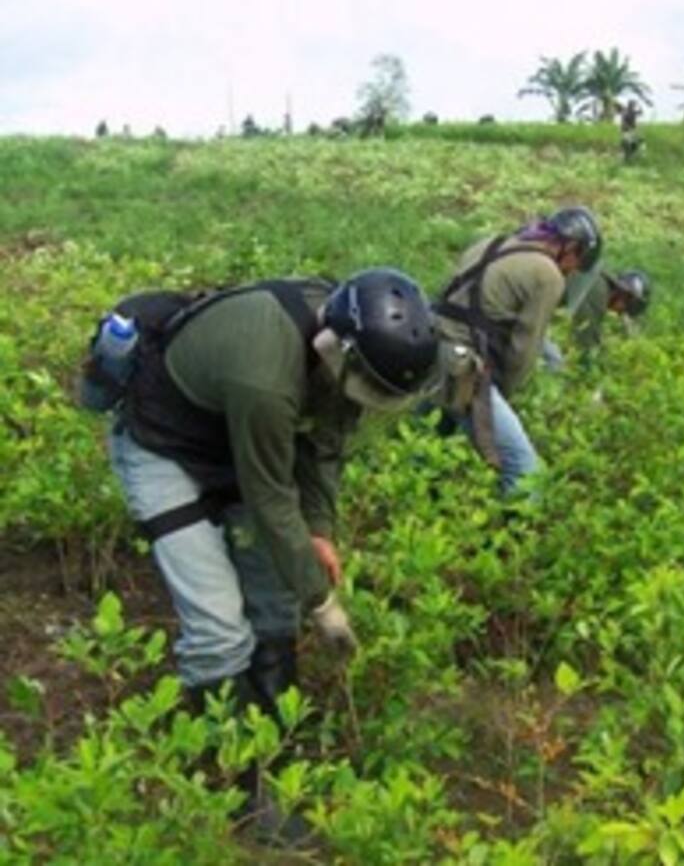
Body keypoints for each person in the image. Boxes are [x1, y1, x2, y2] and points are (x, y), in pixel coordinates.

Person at [105, 268, 440, 838]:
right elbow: (268, 496)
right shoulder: (266, 376)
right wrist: (323, 603)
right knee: (219, 631)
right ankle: (237, 788)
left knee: (273, 603)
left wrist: (321, 529)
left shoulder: (345, 335)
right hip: (166, 449)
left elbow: (324, 446)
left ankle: (276, 748)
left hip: (236, 445)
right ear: (337, 352)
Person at [434, 206, 602, 494]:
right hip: (462, 367)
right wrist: (502, 395)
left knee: (427, 441)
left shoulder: (490, 242)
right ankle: (513, 536)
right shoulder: (548, 275)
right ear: (571, 247)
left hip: (428, 347)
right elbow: (524, 350)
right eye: (578, 262)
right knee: (526, 472)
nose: (573, 271)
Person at [543, 268, 652, 369]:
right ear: (625, 296)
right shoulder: (598, 292)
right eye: (625, 308)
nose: (619, 313)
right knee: (554, 361)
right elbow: (585, 343)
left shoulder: (598, 280)